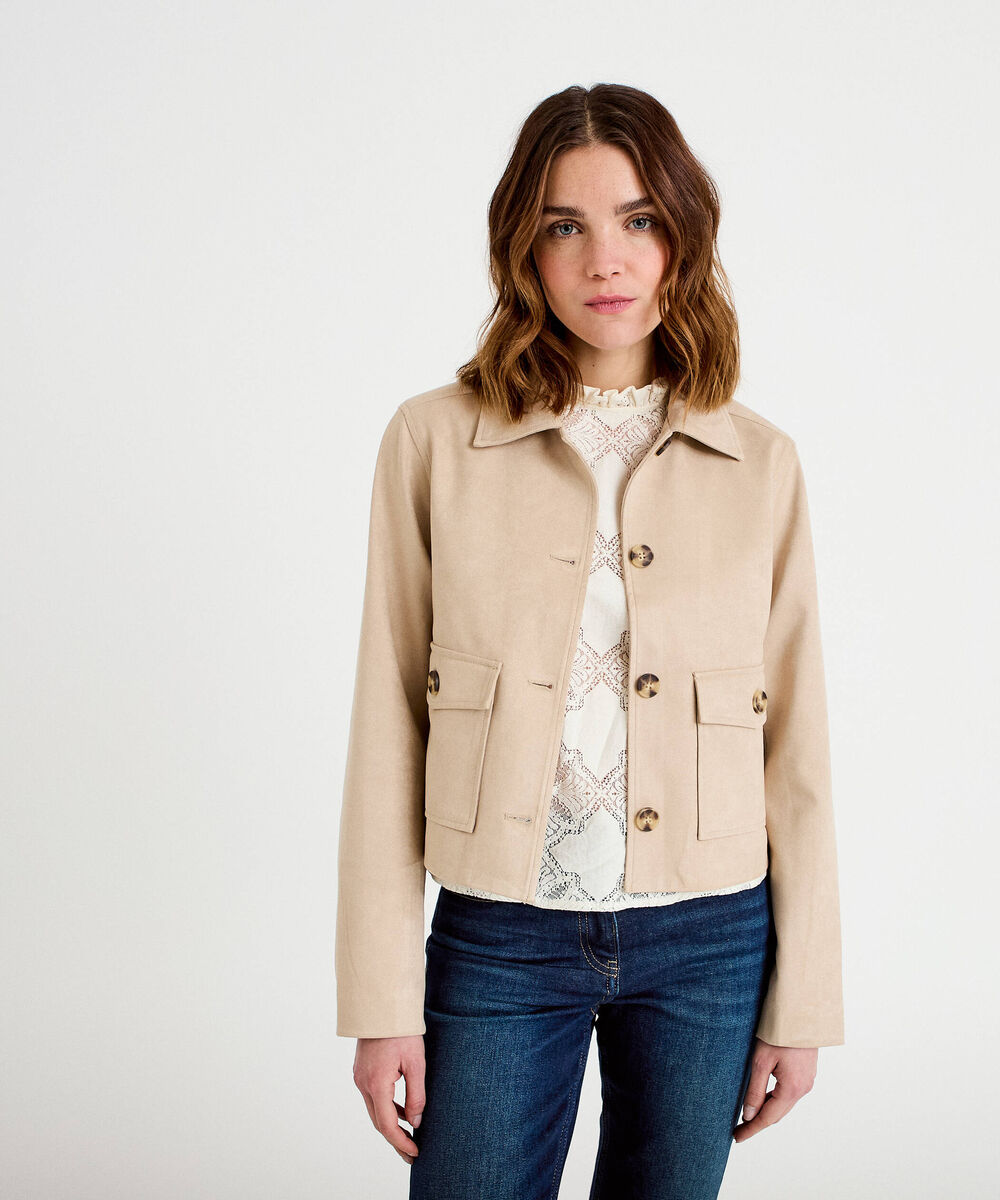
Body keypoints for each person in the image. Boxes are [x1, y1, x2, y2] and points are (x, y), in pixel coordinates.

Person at [335, 82, 844, 1200]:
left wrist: (802, 999)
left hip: (711, 941)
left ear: (683, 235)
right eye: (565, 225)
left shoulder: (760, 463)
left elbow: (797, 748)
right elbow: (388, 721)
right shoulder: (434, 442)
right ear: (524, 247)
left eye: (638, 220)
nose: (605, 260)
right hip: (499, 937)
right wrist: (379, 1000)